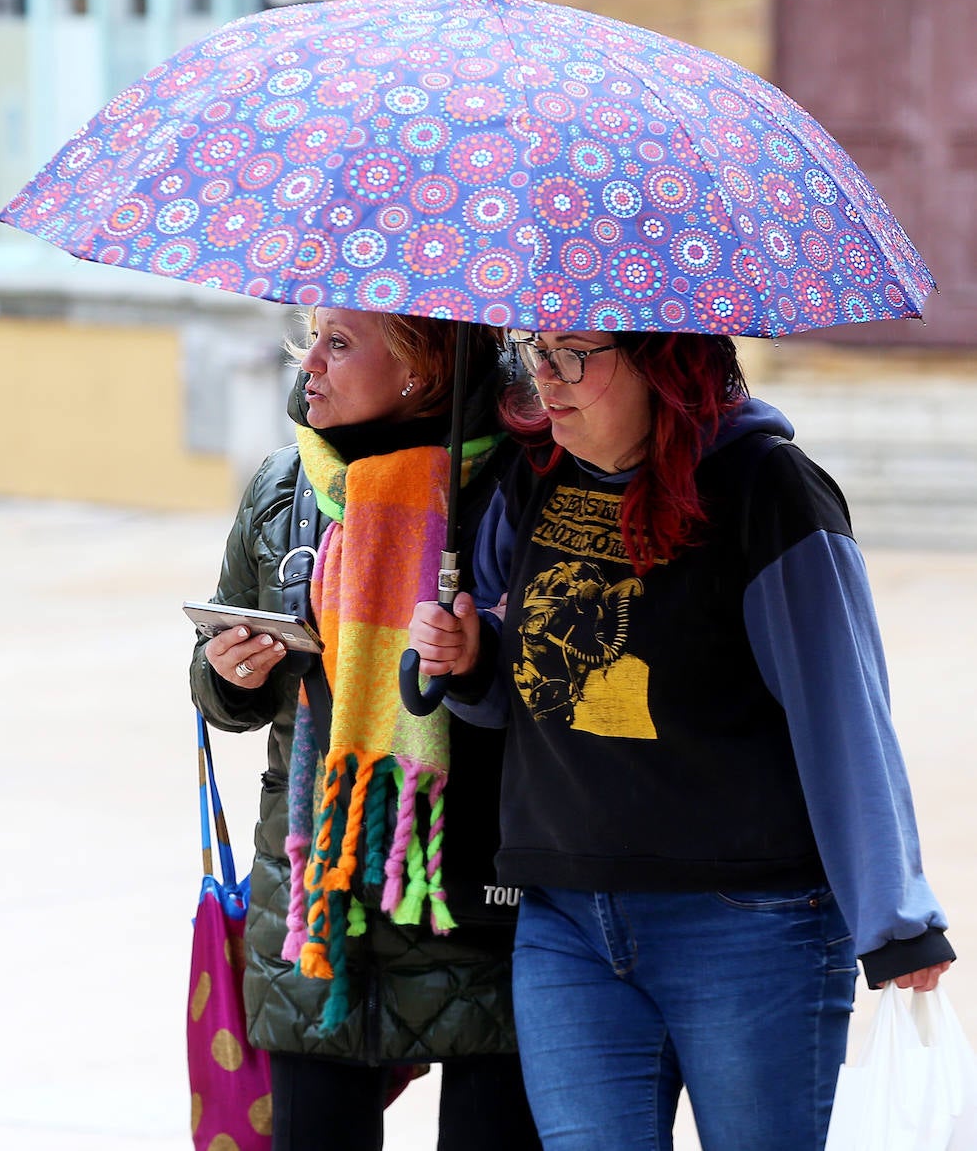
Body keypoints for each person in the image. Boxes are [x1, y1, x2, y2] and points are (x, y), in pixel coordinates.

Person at [408, 326, 956, 1151]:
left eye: (575, 356)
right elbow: (505, 704)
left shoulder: (764, 488)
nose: (546, 380)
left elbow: (841, 712)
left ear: (664, 365)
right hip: (565, 913)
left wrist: (895, 917)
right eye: (537, 352)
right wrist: (469, 658)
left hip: (747, 923)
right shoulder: (532, 479)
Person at [190, 306, 541, 1151]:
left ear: (421, 368)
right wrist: (227, 674)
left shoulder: (522, 486)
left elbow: (562, 685)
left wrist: (480, 653)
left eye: (338, 343)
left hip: (468, 886)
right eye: (311, 336)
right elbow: (221, 690)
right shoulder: (284, 489)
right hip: (315, 896)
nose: (307, 362)